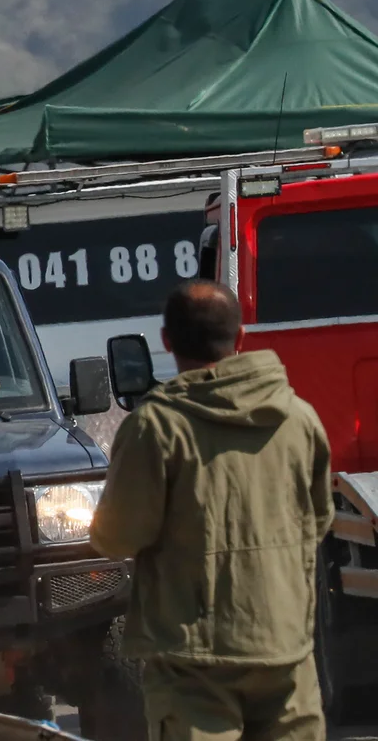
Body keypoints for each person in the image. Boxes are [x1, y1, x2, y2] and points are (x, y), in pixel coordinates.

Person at [89, 280, 333, 741]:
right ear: (240, 339)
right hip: (284, 646)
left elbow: (117, 536)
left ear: (166, 342)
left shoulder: (156, 428)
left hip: (191, 662)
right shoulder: (298, 418)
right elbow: (319, 519)